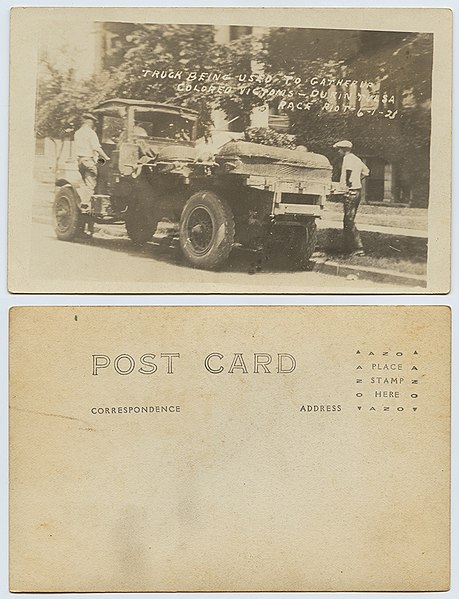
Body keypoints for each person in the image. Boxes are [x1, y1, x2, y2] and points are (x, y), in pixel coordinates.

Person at [333, 140, 369, 256]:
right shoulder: (357, 159)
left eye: (339, 149)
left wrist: (349, 183)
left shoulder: (347, 159)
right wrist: (357, 181)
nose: (338, 151)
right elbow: (366, 172)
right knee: (347, 220)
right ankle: (347, 248)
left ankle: (359, 248)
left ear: (344, 149)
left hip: (350, 192)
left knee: (349, 220)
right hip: (357, 191)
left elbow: (348, 171)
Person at [74, 113, 110, 204]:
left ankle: (84, 201)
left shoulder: (77, 133)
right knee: (91, 184)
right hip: (89, 160)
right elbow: (96, 148)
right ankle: (85, 204)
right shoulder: (91, 133)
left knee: (85, 183)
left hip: (80, 161)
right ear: (91, 123)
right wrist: (106, 157)